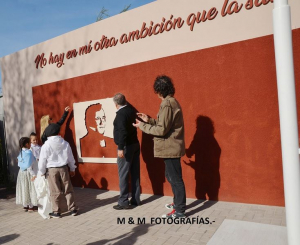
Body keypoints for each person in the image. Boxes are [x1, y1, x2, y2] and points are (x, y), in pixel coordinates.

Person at [133, 75, 186, 218]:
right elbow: (164, 124)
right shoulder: (169, 102)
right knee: (171, 176)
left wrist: (142, 126)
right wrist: (148, 120)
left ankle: (180, 210)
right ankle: (177, 203)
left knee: (175, 179)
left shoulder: (168, 104)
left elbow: (162, 130)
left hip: (170, 148)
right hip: (169, 147)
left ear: (159, 91)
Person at [38, 123, 79, 218]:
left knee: (54, 191)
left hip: (51, 170)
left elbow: (42, 160)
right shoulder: (65, 143)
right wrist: (72, 168)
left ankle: (56, 211)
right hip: (63, 168)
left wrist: (42, 171)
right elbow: (70, 157)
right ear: (57, 132)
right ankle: (72, 209)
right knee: (68, 189)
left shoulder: (46, 145)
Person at [113, 93, 140, 210]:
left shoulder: (120, 114)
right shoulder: (131, 110)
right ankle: (135, 199)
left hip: (126, 147)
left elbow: (122, 131)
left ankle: (123, 201)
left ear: (116, 104)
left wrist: (120, 148)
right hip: (135, 144)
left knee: (123, 174)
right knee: (135, 173)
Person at [16, 137, 38, 212]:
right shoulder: (28, 153)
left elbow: (19, 163)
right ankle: (31, 206)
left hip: (21, 172)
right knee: (30, 188)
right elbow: (29, 166)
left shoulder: (21, 152)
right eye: (30, 143)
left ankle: (25, 205)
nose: (31, 145)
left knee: (24, 187)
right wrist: (33, 175)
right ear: (27, 144)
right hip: (28, 173)